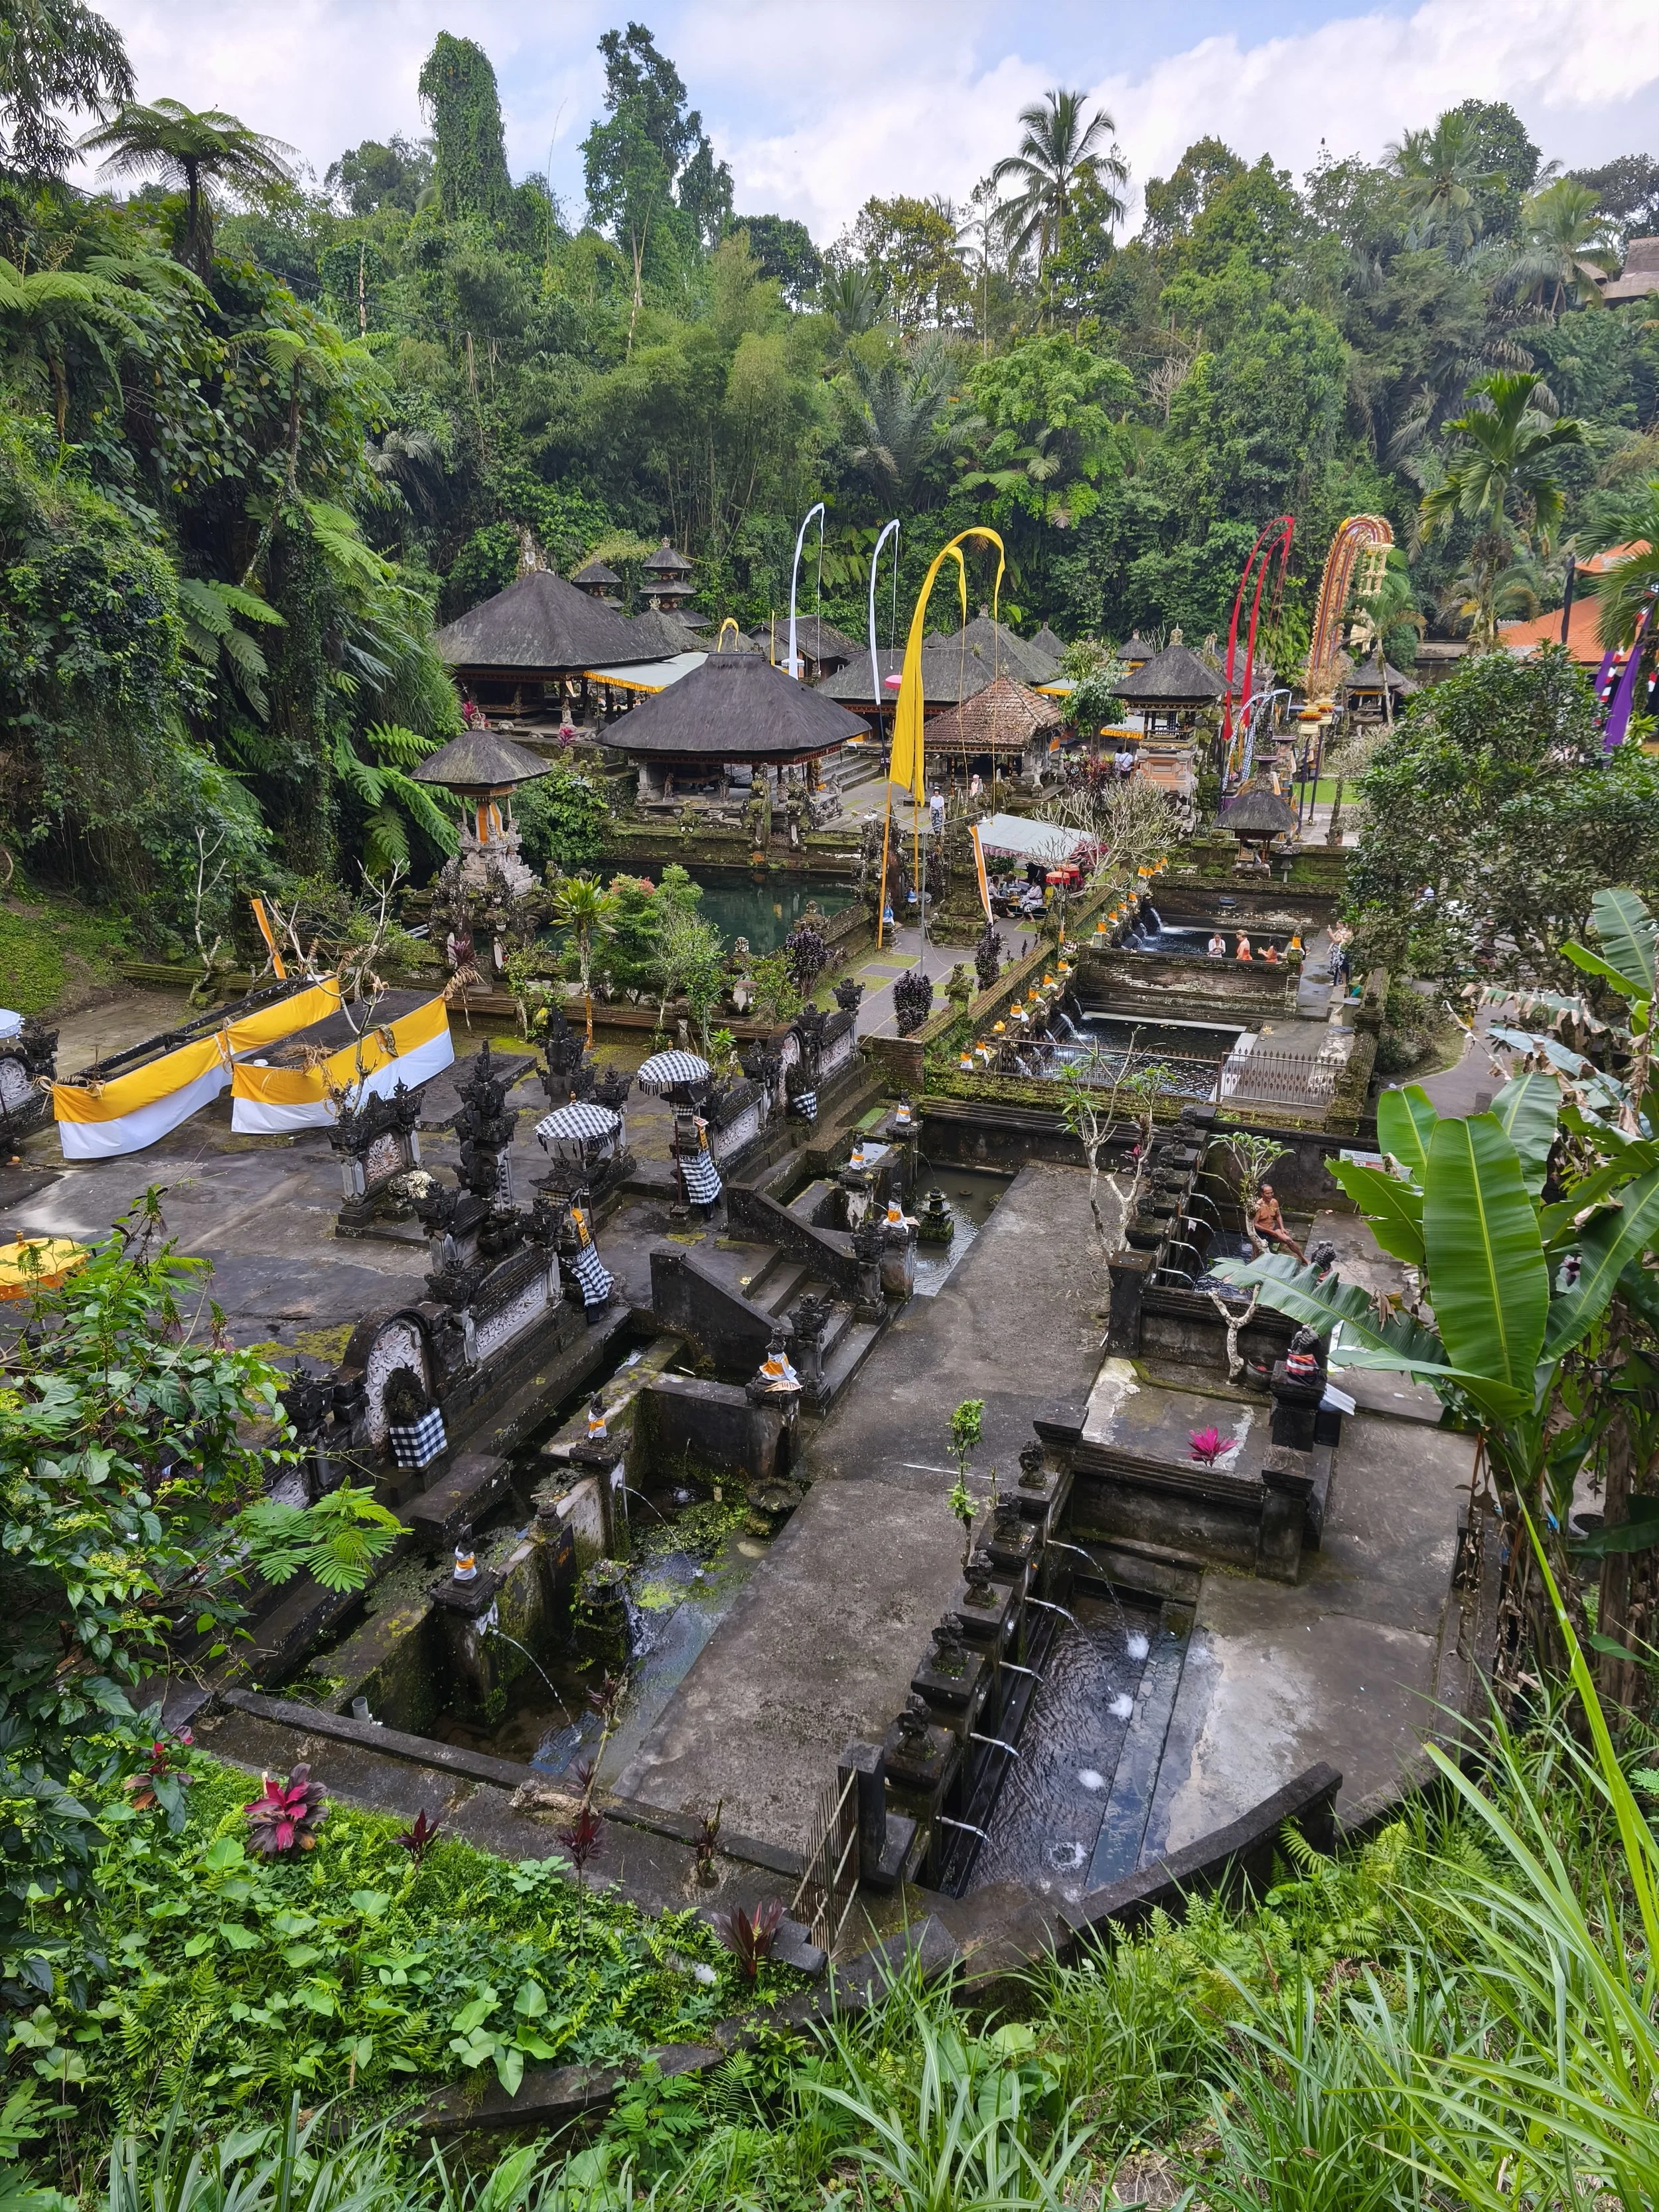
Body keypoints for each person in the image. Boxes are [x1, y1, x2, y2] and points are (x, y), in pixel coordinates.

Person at [1251, 1183, 1305, 1262]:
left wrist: (1282, 1228)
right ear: (1262, 1194)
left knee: (1289, 1240)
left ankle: (1303, 1258)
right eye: (1267, 1193)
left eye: (1271, 1193)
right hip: (1262, 1232)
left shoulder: (1274, 1202)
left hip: (1273, 1228)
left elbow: (1278, 1215)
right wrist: (1270, 1232)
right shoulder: (1258, 1206)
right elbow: (1256, 1224)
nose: (1270, 1195)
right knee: (1258, 1254)